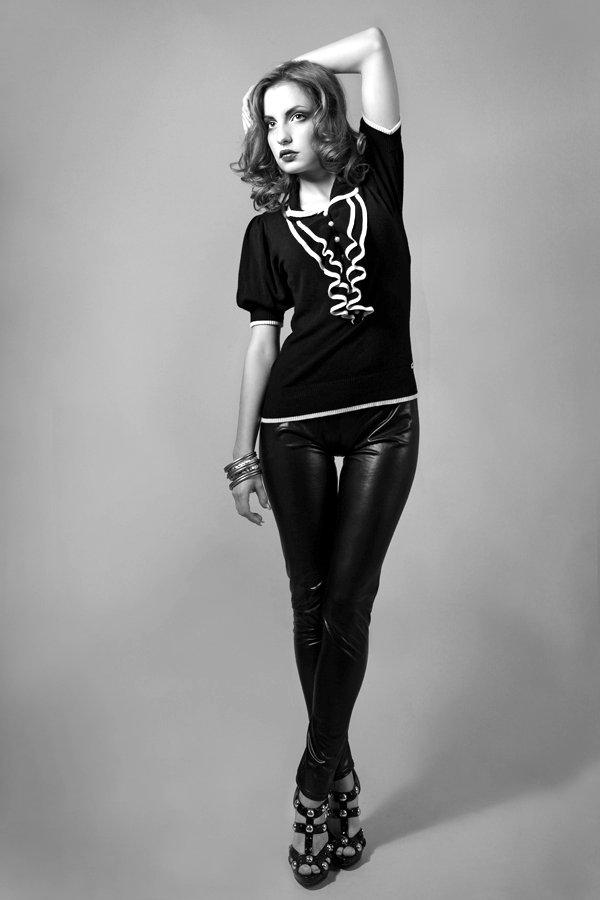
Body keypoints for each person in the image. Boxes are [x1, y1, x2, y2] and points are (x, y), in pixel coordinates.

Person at [225, 26, 420, 887]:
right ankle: (340, 782)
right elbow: (262, 344)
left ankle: (314, 781)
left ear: (329, 120)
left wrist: (270, 77)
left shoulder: (379, 179)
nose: (283, 133)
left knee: (349, 604)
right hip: (293, 427)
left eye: (298, 115)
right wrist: (242, 455)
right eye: (269, 122)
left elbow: (373, 45)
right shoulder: (265, 232)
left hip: (385, 420)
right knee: (309, 608)